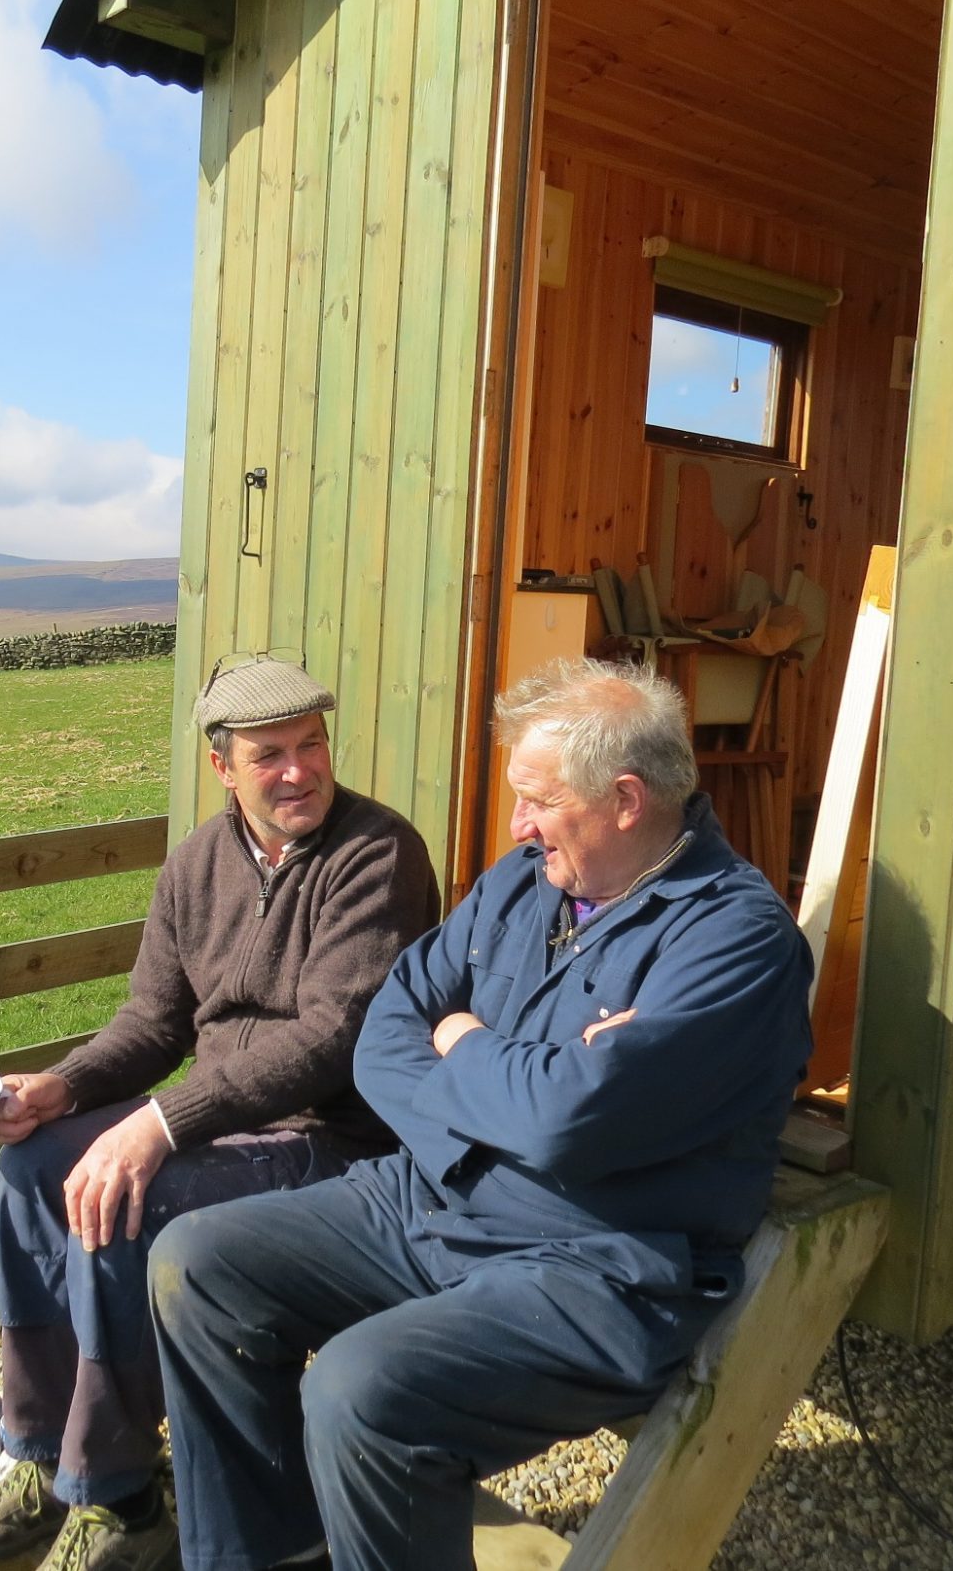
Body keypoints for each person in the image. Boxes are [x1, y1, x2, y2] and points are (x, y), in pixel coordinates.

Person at [150, 657, 813, 1571]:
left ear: (625, 798)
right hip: (431, 1195)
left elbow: (568, 1123)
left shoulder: (734, 940)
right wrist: (512, 1082)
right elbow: (385, 1032)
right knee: (199, 1264)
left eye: (537, 799)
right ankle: (273, 1554)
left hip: (594, 1261)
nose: (516, 823)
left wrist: (462, 1041)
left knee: (361, 1388)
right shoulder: (523, 882)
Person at [0, 657, 440, 1571]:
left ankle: (120, 1498)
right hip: (220, 1123)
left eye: (311, 745)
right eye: (269, 754)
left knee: (126, 1203)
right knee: (31, 1171)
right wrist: (65, 1087)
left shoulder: (378, 854)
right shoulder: (197, 863)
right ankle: (41, 1454)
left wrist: (156, 1125)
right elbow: (155, 1021)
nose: (298, 770)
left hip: (330, 1140)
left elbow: (330, 1039)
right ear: (223, 768)